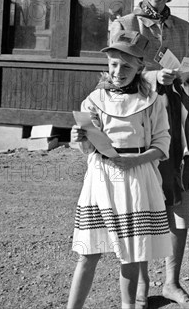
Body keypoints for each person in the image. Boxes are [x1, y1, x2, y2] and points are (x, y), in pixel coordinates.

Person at [110, 0, 189, 309]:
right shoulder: (125, 25)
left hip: (178, 122)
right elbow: (115, 78)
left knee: (178, 200)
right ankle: (140, 286)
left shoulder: (182, 28)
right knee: (143, 202)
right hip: (140, 124)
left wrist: (187, 73)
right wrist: (152, 75)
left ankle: (173, 282)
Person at [67, 30, 172, 309]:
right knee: (89, 252)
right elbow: (90, 145)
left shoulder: (152, 100)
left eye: (126, 65)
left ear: (140, 66)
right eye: (113, 64)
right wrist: (81, 139)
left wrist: (135, 161)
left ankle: (128, 306)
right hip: (102, 176)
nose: (118, 71)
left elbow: (162, 144)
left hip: (137, 176)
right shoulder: (95, 99)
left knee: (133, 253)